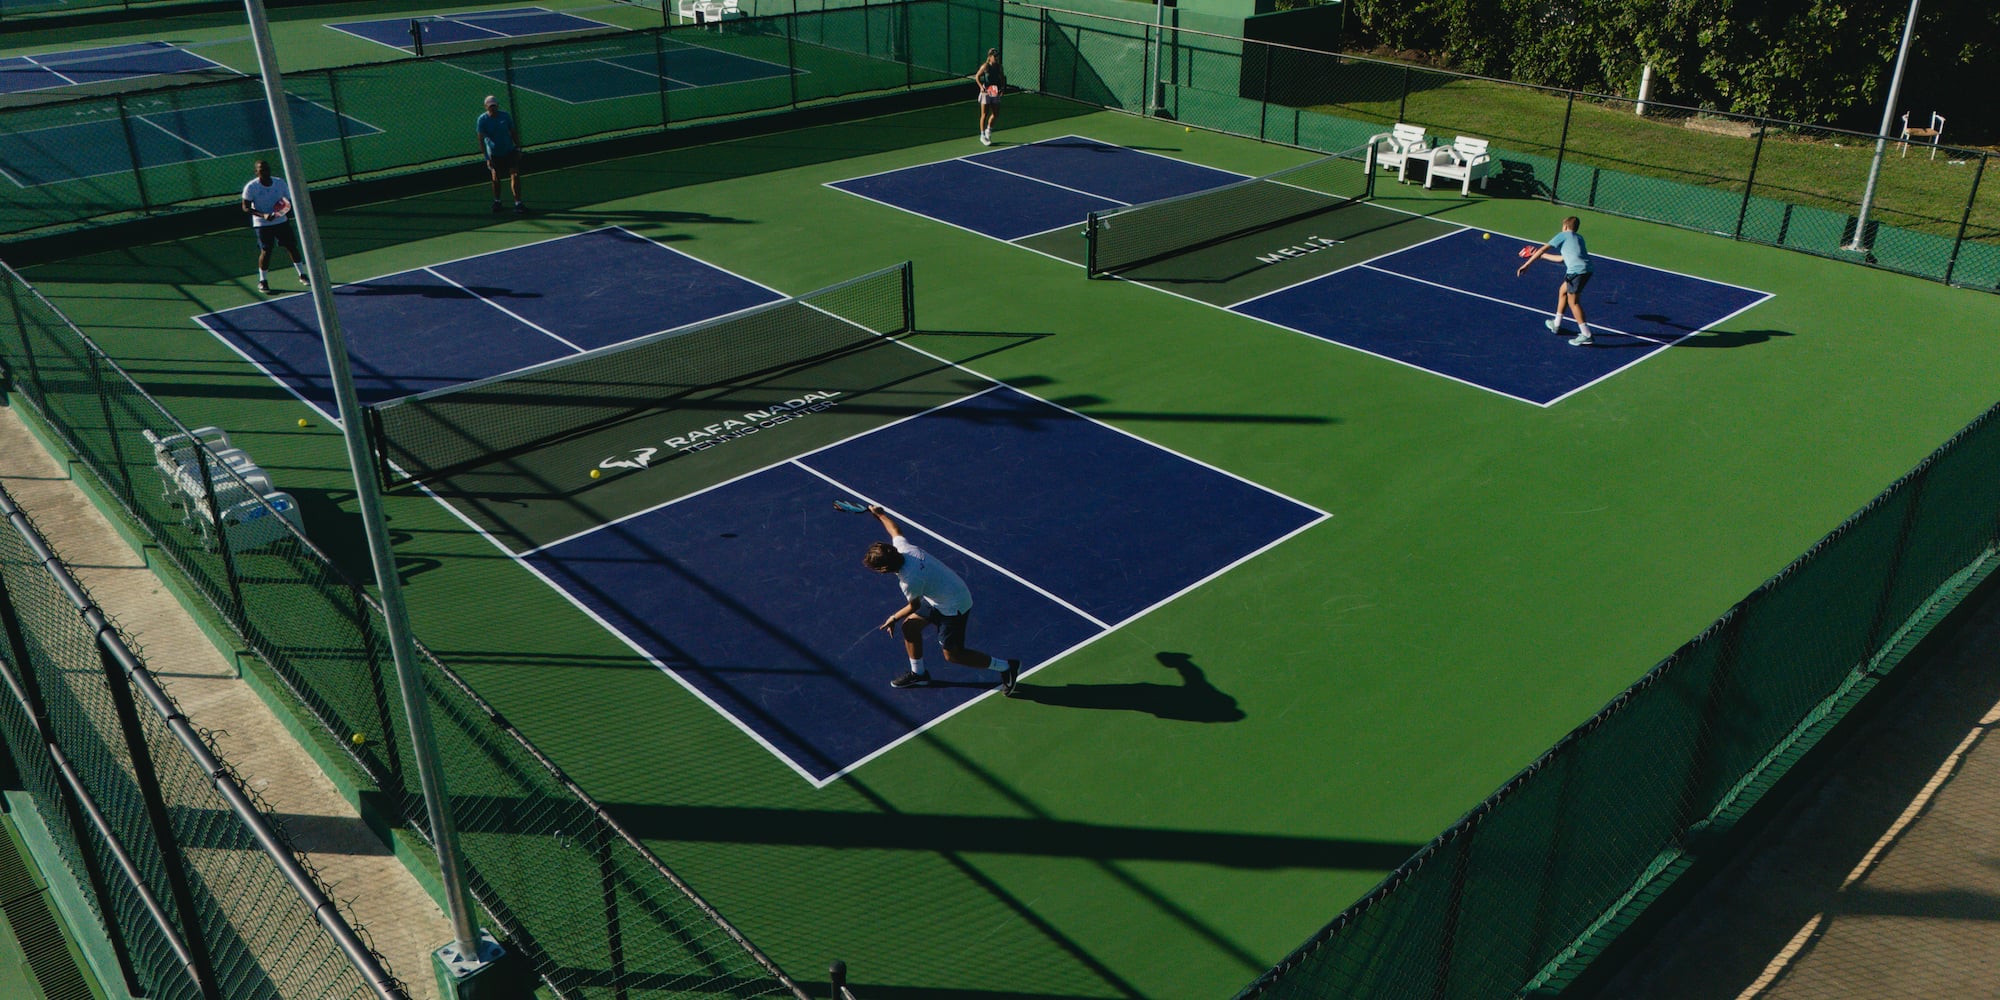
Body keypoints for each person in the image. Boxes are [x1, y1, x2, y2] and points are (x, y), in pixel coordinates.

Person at [862, 504, 1021, 693]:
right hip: (941, 593)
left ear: (884, 569)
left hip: (954, 604)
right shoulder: (904, 549)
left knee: (953, 655)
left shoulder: (909, 580)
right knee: (910, 627)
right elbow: (895, 530)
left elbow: (914, 605)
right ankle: (919, 675)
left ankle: (1006, 667)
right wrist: (881, 515)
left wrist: (893, 618)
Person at [1516, 215, 1594, 346]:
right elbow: (1561, 259)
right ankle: (1556, 324)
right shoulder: (1579, 238)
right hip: (1586, 270)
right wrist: (1537, 254)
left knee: (1573, 302)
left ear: (1565, 226)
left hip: (1576, 272)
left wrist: (1526, 264)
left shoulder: (1562, 235)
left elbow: (1543, 249)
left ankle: (1586, 334)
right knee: (1563, 291)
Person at [240, 160, 307, 294]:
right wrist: (262, 215)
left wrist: (281, 210)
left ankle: (302, 275)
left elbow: (287, 200)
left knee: (291, 247)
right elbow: (245, 207)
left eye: (267, 169)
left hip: (281, 222)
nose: (265, 172)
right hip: (262, 224)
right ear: (256, 172)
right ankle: (263, 281)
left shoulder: (280, 183)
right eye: (261, 170)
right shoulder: (251, 187)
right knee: (266, 251)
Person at [477, 95, 526, 214]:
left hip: (509, 150)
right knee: (496, 177)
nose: (492, 108)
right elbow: (481, 140)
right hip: (494, 153)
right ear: (486, 107)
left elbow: (513, 132)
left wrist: (518, 148)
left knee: (514, 174)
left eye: (494, 106)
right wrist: (487, 158)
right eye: (490, 107)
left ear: (497, 105)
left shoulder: (505, 116)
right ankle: (497, 201)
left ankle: (518, 203)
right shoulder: (482, 120)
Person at [971, 49, 1004, 146]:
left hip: (994, 91)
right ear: (990, 57)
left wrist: (1002, 88)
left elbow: (1002, 77)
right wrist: (981, 87)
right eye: (995, 56)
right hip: (986, 92)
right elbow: (977, 77)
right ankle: (982, 136)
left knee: (996, 113)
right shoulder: (985, 66)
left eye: (997, 56)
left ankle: (988, 130)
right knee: (984, 114)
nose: (996, 58)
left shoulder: (999, 67)